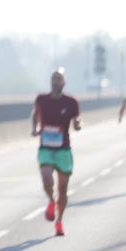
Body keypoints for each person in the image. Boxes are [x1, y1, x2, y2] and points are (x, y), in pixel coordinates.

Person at [32, 69, 81, 237]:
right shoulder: (41, 99)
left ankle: (59, 221)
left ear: (64, 82)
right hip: (46, 147)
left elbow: (76, 121)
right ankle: (51, 201)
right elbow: (35, 114)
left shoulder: (71, 102)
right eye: (53, 78)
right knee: (46, 178)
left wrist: (78, 124)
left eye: (59, 79)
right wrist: (34, 128)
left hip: (63, 150)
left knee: (63, 189)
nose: (55, 81)